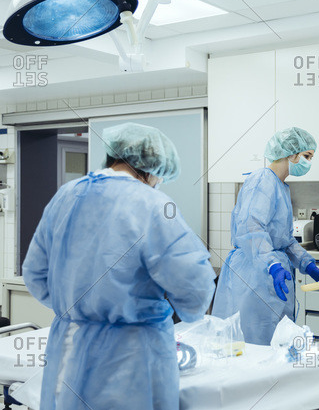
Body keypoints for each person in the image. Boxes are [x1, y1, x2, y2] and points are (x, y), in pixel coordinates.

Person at [22, 122, 216, 410]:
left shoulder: (67, 195)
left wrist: (81, 309)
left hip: (68, 349)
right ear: (150, 168)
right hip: (131, 355)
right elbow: (196, 288)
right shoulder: (152, 204)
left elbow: (35, 275)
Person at [212, 127, 319, 345]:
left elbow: (284, 240)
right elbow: (251, 227)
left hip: (268, 272)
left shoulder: (281, 187)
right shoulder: (262, 180)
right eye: (306, 156)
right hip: (253, 274)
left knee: (273, 341)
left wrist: (309, 265)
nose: (308, 163)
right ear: (291, 153)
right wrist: (272, 265)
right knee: (251, 343)